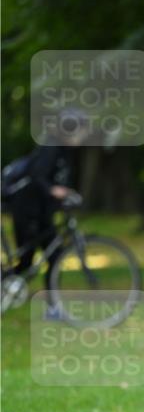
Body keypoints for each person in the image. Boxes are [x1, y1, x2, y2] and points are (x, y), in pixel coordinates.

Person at [4, 134, 80, 313]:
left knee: (55, 256)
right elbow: (37, 177)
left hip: (42, 214)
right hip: (27, 211)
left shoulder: (64, 152)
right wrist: (54, 190)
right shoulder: (52, 147)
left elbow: (57, 182)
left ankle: (53, 308)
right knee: (26, 263)